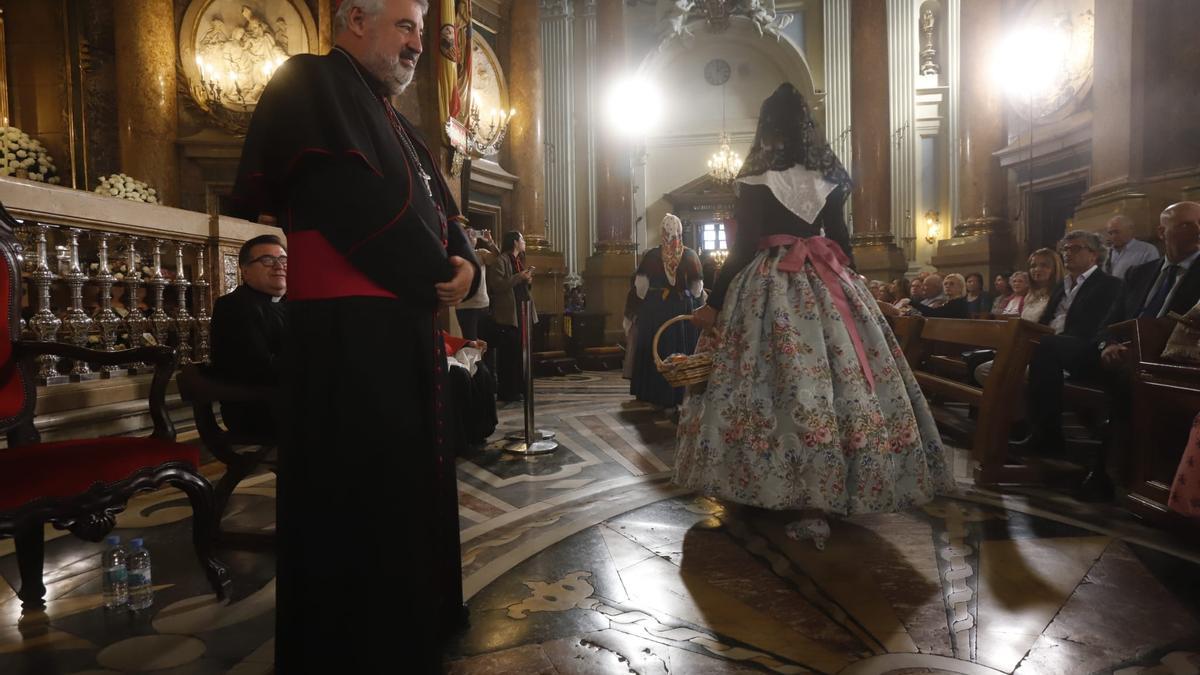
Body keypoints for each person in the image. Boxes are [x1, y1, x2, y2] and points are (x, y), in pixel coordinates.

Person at [229, 0, 479, 670]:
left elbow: (441, 209)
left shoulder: (397, 121)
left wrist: (467, 264)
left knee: (410, 490)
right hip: (349, 344)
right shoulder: (311, 85)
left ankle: (418, 620)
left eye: (422, 32)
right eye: (405, 26)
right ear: (354, 20)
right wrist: (440, 272)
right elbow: (359, 211)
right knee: (361, 504)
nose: (417, 44)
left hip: (405, 335)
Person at [675, 83, 951, 549]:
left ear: (768, 129)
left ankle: (760, 482)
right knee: (832, 388)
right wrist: (857, 285)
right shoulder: (831, 178)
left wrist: (716, 305)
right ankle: (831, 489)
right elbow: (841, 239)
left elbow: (742, 249)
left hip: (767, 285)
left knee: (766, 383)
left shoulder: (756, 179)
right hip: (826, 278)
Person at [1025, 230, 1123, 457]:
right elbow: (1045, 319)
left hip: (1086, 348)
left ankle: (1049, 437)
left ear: (1095, 254)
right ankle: (1015, 427)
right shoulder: (1062, 285)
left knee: (1047, 346)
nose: (1068, 253)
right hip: (1052, 344)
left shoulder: (1109, 284)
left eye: (1076, 248)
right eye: (1065, 249)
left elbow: (1100, 327)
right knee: (1003, 352)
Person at [209, 234, 288, 437]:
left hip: (289, 399)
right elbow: (257, 367)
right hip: (256, 408)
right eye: (267, 260)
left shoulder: (292, 304)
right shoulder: (234, 306)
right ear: (245, 271)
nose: (279, 266)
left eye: (284, 260)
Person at [629, 214, 703, 409]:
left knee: (655, 346)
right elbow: (697, 289)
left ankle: (655, 393)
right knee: (683, 348)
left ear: (662, 232)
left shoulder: (651, 256)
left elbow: (640, 287)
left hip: (656, 309)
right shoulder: (691, 255)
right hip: (682, 306)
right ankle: (682, 392)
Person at [488, 230, 535, 402]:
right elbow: (497, 285)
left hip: (522, 310)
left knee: (520, 353)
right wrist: (518, 277)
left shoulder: (519, 260)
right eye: (522, 239)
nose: (524, 242)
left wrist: (527, 280)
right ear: (515, 242)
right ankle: (507, 391)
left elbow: (520, 284)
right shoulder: (501, 260)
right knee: (509, 353)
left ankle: (520, 388)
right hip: (508, 314)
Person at [456, 228, 496, 340]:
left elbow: (497, 259)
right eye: (466, 233)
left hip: (483, 304)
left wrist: (490, 242)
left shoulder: (481, 253)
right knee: (471, 342)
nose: (470, 235)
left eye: (473, 234)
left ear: (476, 239)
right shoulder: (457, 255)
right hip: (466, 306)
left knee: (486, 342)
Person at [1103, 214, 1160, 281]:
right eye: (1110, 233)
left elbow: (1152, 277)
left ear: (1130, 229)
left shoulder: (1147, 250)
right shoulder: (1106, 253)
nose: (1113, 237)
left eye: (1116, 232)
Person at [1023, 248, 1063, 322]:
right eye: (1033, 266)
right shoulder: (1030, 295)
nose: (1037, 269)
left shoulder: (1060, 295)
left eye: (1044, 265)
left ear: (1055, 268)